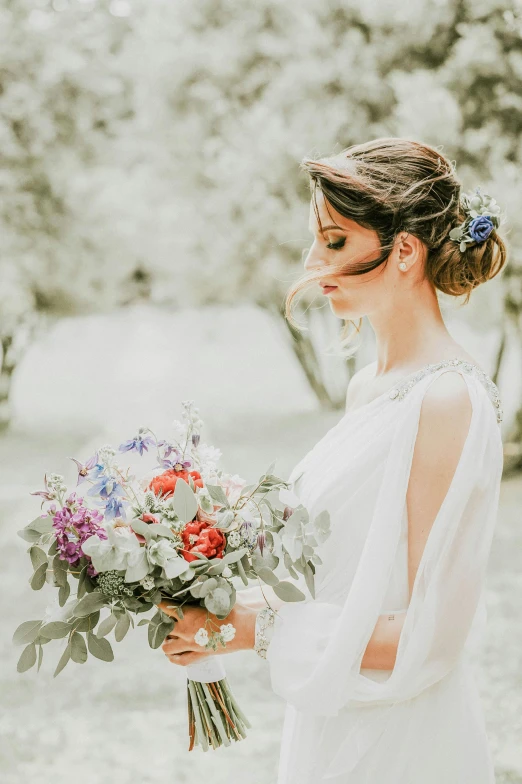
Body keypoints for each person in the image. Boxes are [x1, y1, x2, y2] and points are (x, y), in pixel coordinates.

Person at [159, 137, 507, 783]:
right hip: (332, 712)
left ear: (405, 250)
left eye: (335, 241)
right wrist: (207, 588)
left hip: (401, 736)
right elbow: (346, 573)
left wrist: (252, 629)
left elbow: (427, 635)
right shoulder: (369, 385)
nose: (314, 264)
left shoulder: (447, 400)